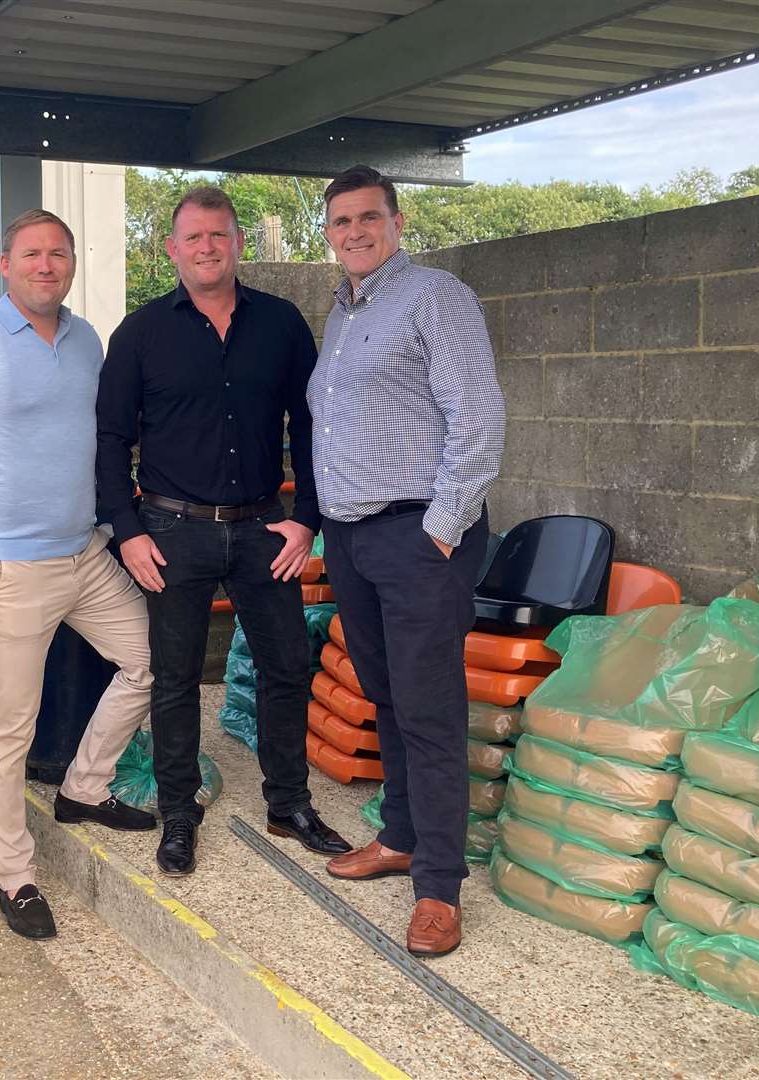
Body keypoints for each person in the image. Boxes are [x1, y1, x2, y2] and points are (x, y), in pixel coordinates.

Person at [97, 184, 350, 878]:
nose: (206, 248)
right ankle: (179, 813)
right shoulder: (141, 334)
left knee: (287, 669)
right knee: (175, 679)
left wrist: (307, 519)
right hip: (171, 532)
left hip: (267, 529)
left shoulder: (281, 324)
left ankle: (288, 803)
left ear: (238, 243)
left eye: (218, 235)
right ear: (173, 250)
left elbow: (314, 427)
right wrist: (127, 530)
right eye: (193, 238)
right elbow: (111, 438)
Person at [0, 208, 156, 941]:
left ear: (72, 262)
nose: (45, 265)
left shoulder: (87, 340)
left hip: (84, 552)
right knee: (10, 729)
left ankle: (85, 787)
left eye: (58, 254)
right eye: (31, 254)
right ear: (5, 265)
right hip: (8, 563)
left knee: (148, 662)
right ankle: (16, 877)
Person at [314, 165, 505, 958]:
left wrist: (442, 526)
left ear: (397, 221)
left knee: (429, 712)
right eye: (340, 223)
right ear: (327, 234)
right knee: (386, 695)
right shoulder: (342, 310)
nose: (354, 232)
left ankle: (438, 888)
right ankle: (398, 837)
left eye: (367, 218)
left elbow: (480, 414)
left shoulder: (434, 296)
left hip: (416, 537)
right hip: (354, 538)